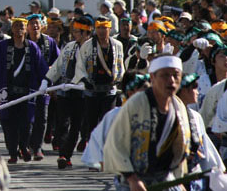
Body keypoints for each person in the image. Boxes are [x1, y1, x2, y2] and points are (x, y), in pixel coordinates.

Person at [103, 54, 191, 191]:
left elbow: (180, 147)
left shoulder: (178, 106)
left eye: (176, 75)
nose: (171, 80)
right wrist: (132, 179)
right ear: (152, 77)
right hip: (134, 178)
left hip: (165, 177)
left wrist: (178, 181)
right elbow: (114, 143)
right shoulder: (136, 103)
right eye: (165, 75)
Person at [0, 17, 48, 164]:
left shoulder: (32, 47)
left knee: (26, 123)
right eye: (16, 26)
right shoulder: (3, 46)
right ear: (12, 29)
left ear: (26, 29)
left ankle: (23, 147)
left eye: (22, 26)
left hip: (27, 93)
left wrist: (46, 81)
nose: (19, 29)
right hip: (7, 92)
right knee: (8, 123)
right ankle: (13, 153)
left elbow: (42, 67)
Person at [47, 16, 93, 169]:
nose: (74, 34)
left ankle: (67, 154)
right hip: (66, 90)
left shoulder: (93, 48)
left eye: (77, 32)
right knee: (62, 123)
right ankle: (62, 154)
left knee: (76, 126)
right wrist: (47, 80)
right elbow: (58, 65)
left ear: (86, 32)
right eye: (73, 31)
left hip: (83, 93)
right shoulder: (69, 46)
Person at [73, 16, 125, 151]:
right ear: (96, 29)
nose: (102, 31)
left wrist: (119, 79)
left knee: (107, 122)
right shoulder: (88, 45)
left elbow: (120, 65)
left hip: (109, 90)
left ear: (110, 29)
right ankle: (93, 154)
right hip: (92, 90)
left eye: (105, 28)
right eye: (99, 28)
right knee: (92, 125)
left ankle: (105, 153)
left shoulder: (117, 45)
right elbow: (80, 66)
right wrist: (84, 80)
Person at [81, 72, 151, 171]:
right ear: (131, 92)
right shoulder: (115, 115)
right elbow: (97, 140)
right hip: (128, 175)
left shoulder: (159, 112)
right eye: (144, 91)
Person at [176, 73, 224, 190]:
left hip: (196, 175)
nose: (197, 90)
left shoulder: (195, 116)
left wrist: (217, 169)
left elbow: (205, 148)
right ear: (183, 90)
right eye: (194, 86)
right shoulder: (170, 115)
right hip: (176, 177)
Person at [25, 13, 60, 160]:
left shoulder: (49, 42)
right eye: (32, 23)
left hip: (44, 85)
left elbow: (59, 62)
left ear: (42, 25)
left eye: (37, 23)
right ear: (27, 27)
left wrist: (52, 71)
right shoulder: (22, 41)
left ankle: (38, 147)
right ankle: (26, 145)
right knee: (27, 118)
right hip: (26, 86)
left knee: (42, 117)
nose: (35, 26)